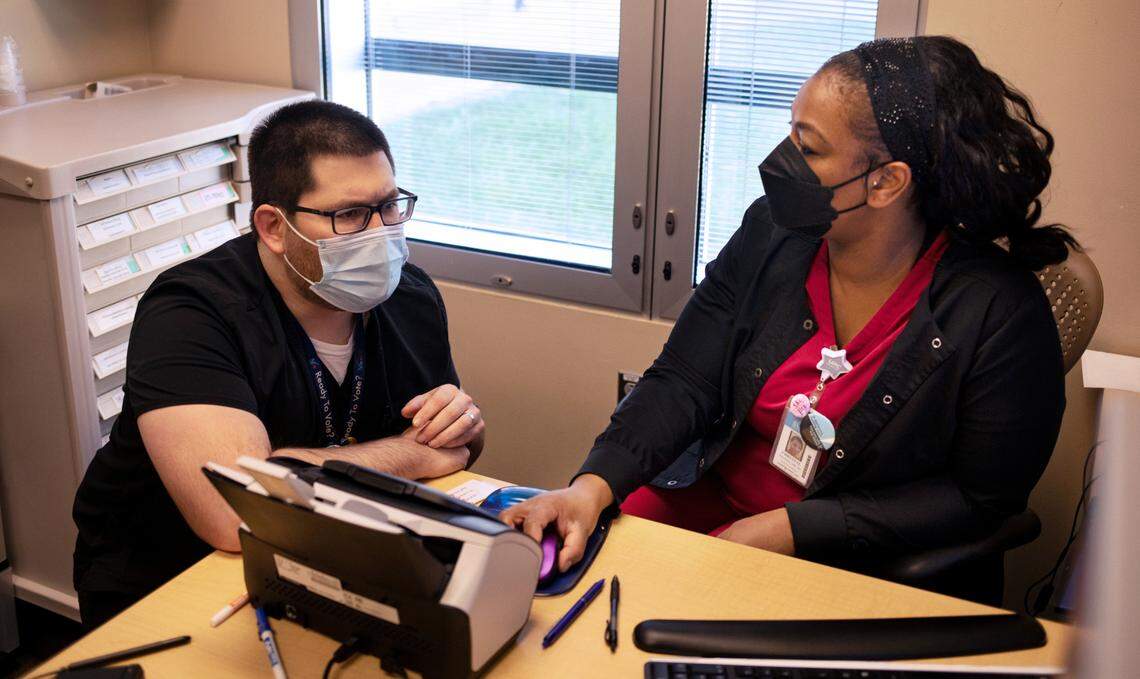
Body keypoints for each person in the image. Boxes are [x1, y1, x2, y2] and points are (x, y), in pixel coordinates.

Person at [503, 36, 1075, 602]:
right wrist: (590, 486)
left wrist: (791, 529)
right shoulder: (771, 234)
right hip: (712, 493)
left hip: (854, 550)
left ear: (887, 181)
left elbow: (980, 499)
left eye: (809, 147)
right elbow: (684, 379)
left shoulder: (999, 311)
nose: (781, 160)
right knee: (570, 598)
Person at [72, 100, 486, 626]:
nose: (382, 232)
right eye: (350, 215)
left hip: (326, 560)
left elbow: (449, 450)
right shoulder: (190, 312)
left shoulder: (410, 296)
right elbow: (237, 511)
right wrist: (409, 457)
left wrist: (466, 428)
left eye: (390, 205)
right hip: (172, 577)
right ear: (272, 226)